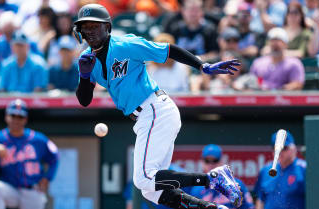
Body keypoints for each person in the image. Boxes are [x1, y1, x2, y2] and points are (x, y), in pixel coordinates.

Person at [74, 3, 242, 209]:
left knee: (143, 179)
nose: (90, 31)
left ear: (107, 26)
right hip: (145, 117)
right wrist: (84, 76)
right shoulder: (87, 59)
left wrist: (201, 65)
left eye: (95, 25)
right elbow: (84, 100)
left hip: (154, 109)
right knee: (152, 192)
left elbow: (168, 49)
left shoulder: (125, 44)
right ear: (78, 31)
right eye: (85, 27)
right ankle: (209, 207)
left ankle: (213, 179)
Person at [0, 99, 59, 209]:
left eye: (20, 117)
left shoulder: (38, 139)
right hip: (10, 189)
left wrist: (47, 177)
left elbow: (55, 156)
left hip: (32, 190)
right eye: (13, 115)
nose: (16, 120)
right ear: (6, 116)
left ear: (25, 119)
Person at [190, 144, 255, 209]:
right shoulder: (197, 189)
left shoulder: (236, 184)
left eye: (215, 160)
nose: (211, 164)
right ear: (202, 162)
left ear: (221, 161)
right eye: (207, 161)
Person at [254, 131, 306, 209]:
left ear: (293, 149)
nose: (280, 152)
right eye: (276, 149)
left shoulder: (304, 169)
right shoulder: (266, 170)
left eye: (284, 148)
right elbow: (260, 199)